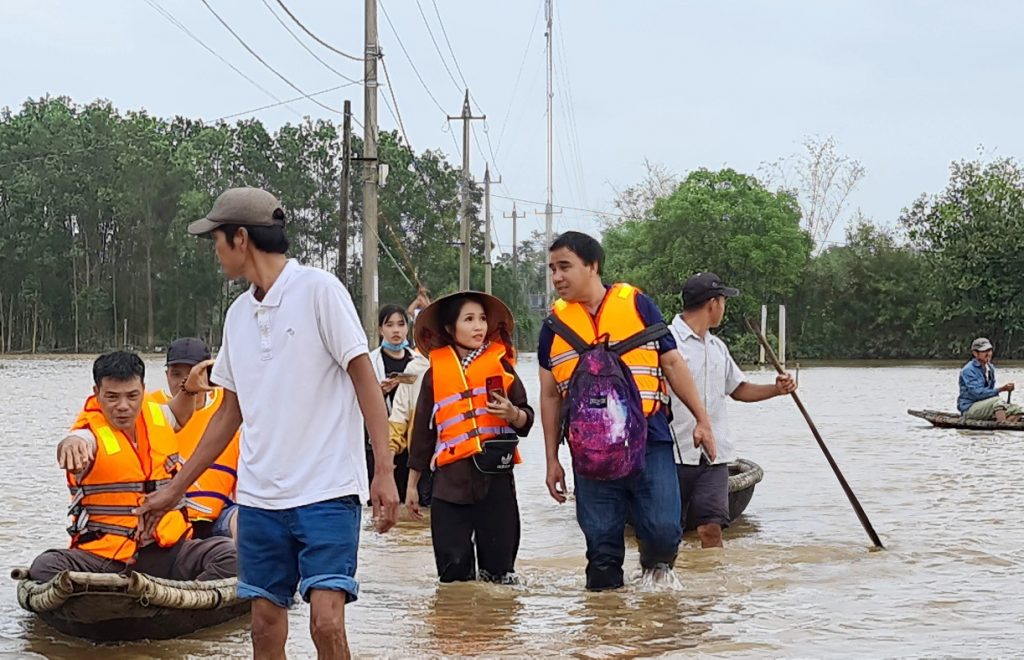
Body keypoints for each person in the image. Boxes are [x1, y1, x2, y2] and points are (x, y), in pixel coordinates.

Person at [137, 187, 399, 660]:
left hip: (326, 491)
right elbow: (228, 413)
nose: (215, 251)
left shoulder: (320, 291)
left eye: (216, 239)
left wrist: (383, 469)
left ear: (240, 238)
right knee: (264, 625)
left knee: (325, 623)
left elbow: (365, 381)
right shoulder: (238, 316)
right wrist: (176, 489)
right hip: (259, 498)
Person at [539, 231, 715, 591]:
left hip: (649, 437)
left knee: (665, 533)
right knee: (601, 549)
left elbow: (672, 363)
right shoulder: (553, 326)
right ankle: (606, 631)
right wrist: (551, 459)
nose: (557, 277)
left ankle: (652, 605)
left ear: (592, 266)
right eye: (552, 269)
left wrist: (702, 419)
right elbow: (549, 396)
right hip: (590, 451)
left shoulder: (637, 304)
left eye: (565, 267)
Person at [28, 351, 237, 583]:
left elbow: (179, 414)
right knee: (45, 567)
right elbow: (76, 441)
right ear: (97, 393)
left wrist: (189, 388)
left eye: (132, 395)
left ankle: (181, 603)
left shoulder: (156, 415)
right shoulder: (88, 436)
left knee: (231, 555)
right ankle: (118, 597)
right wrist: (70, 445)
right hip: (107, 559)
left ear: (143, 390)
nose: (123, 406)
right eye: (112, 397)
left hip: (167, 552)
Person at [406, 292, 533, 583]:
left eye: (483, 319)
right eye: (469, 319)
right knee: (453, 581)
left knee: (499, 579)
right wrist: (412, 486)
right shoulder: (434, 375)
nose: (479, 326)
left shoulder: (502, 367)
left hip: (496, 484)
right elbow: (423, 436)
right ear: (450, 329)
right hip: (450, 487)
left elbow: (527, 419)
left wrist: (513, 413)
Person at [669, 272, 796, 548]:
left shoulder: (717, 347)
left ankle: (714, 587)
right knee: (665, 534)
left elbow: (738, 390)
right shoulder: (668, 344)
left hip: (714, 456)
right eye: (723, 301)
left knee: (711, 529)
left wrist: (776, 389)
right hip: (672, 452)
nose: (724, 308)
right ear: (713, 304)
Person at [150, 337, 241, 539]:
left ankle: (247, 568)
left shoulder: (229, 409)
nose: (186, 380)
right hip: (167, 517)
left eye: (194, 373)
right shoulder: (151, 408)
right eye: (176, 374)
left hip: (219, 517)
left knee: (246, 521)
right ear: (166, 375)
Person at [366, 304, 428, 502]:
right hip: (380, 441)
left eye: (401, 324)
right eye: (390, 325)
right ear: (380, 329)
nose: (396, 330)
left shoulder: (418, 362)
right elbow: (358, 401)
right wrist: (380, 393)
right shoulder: (370, 361)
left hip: (410, 443)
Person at [387, 346, 433, 510]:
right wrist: (387, 460)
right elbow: (399, 414)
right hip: (420, 460)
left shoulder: (465, 366)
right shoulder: (413, 369)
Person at [958, 337, 1022, 421]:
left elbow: (990, 393)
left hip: (985, 407)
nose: (988, 354)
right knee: (997, 401)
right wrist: (1001, 389)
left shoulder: (990, 368)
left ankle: (1004, 427)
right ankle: (1002, 426)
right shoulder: (968, 370)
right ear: (975, 353)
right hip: (969, 408)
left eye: (989, 350)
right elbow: (977, 393)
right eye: (984, 351)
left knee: (1018, 410)